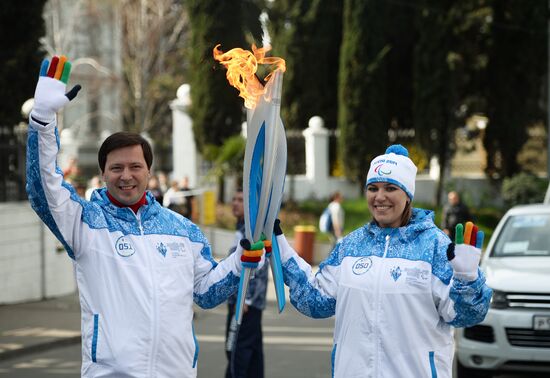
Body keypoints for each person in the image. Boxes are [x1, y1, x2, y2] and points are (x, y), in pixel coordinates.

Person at [26, 55, 252, 377]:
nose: (126, 175)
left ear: (149, 171)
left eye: (135, 167)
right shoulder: (85, 223)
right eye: (116, 168)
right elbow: (42, 189)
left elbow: (206, 292)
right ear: (103, 173)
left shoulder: (183, 230)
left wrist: (241, 259)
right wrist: (43, 121)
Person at [273, 144, 492, 378]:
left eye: (390, 188)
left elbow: (465, 315)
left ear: (407, 195)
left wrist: (468, 279)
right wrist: (280, 247)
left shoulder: (435, 246)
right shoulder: (351, 245)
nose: (380, 197)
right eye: (372, 188)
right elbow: (315, 301)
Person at [224, 189, 268, 378]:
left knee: (237, 354)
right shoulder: (243, 229)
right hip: (248, 304)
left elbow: (260, 266)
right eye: (233, 199)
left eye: (240, 200)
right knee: (252, 354)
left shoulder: (252, 232)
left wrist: (245, 299)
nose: (235, 203)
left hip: (244, 305)